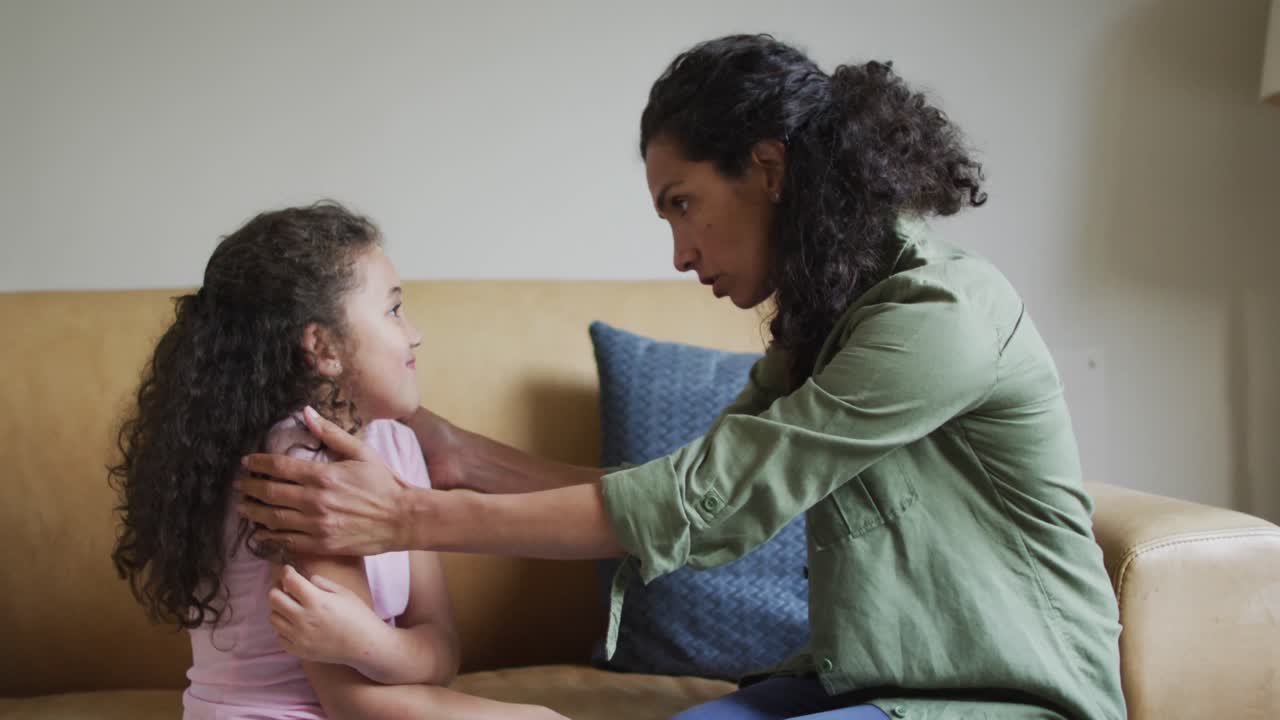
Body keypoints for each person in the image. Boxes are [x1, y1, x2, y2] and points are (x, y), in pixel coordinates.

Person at [238, 36, 1127, 720]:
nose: (678, 253)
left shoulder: (939, 318)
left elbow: (706, 502)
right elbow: (689, 489)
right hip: (869, 681)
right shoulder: (821, 323)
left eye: (683, 204)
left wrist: (409, 515)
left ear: (769, 170)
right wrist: (462, 458)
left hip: (1001, 696)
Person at [110, 202, 566, 720]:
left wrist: (371, 642)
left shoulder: (395, 443)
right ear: (323, 348)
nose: (414, 332)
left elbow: (442, 652)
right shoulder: (300, 465)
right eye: (393, 310)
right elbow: (356, 702)